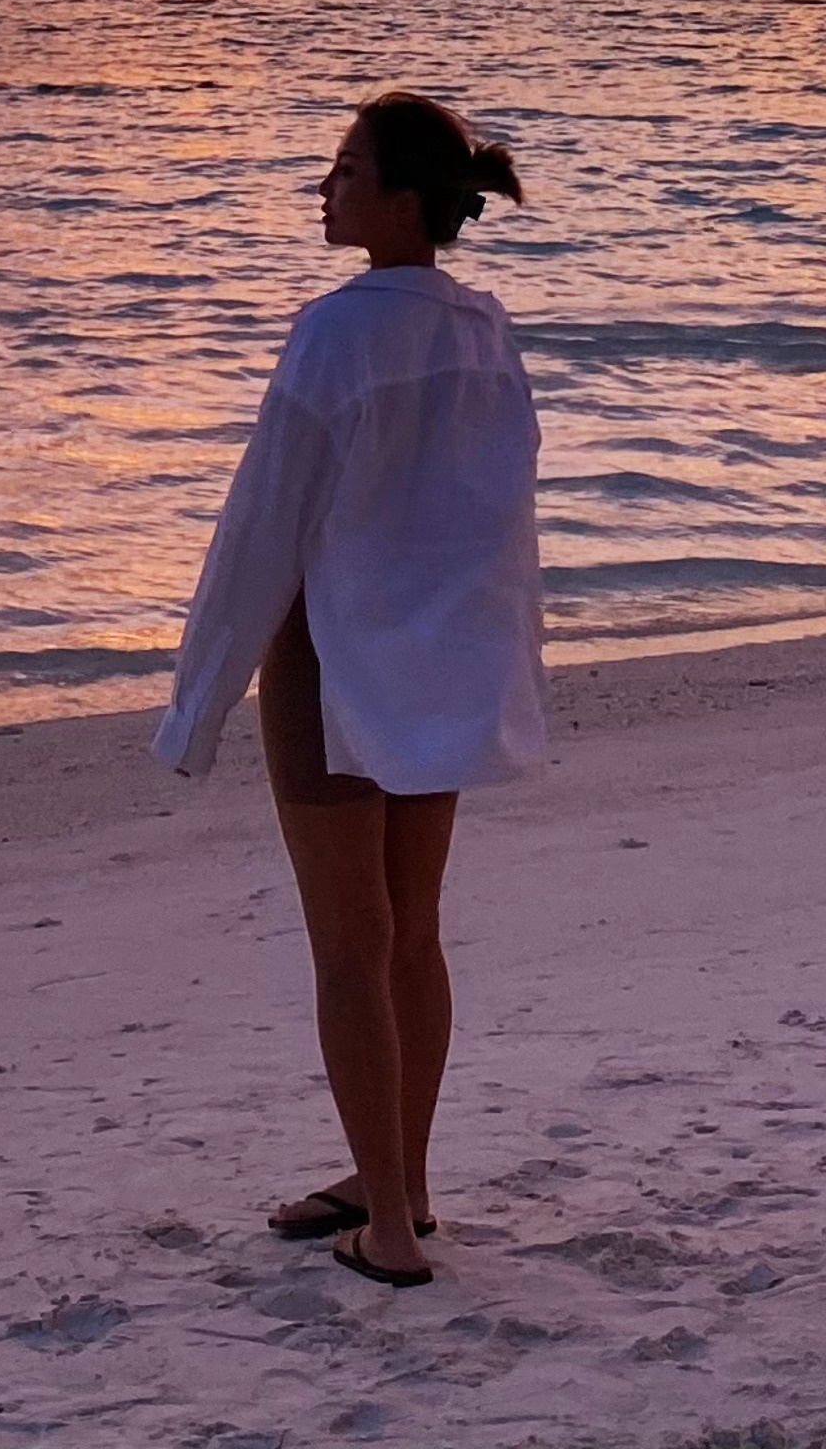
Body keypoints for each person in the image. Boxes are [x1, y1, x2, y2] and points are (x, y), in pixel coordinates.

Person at [155, 89, 543, 1289]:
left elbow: (263, 525)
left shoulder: (336, 332)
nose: (324, 188)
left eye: (343, 168)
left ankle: (385, 1228)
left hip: (332, 655)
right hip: (437, 657)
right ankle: (402, 1185)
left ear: (401, 199)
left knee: (349, 947)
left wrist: (199, 703)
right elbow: (501, 519)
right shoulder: (484, 329)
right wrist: (493, 663)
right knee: (409, 934)